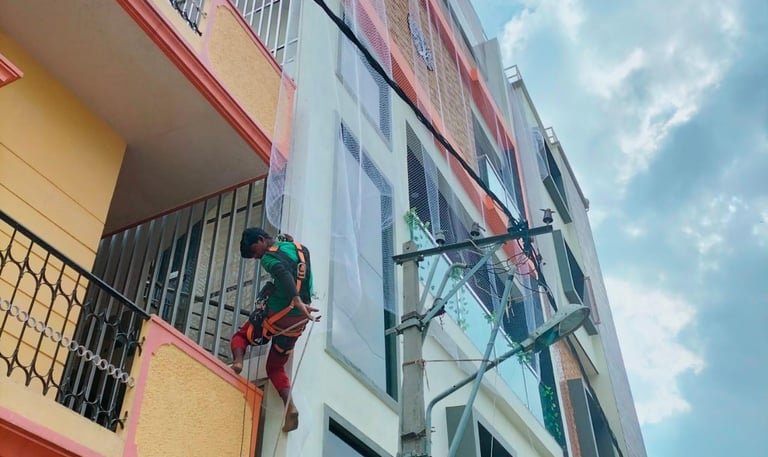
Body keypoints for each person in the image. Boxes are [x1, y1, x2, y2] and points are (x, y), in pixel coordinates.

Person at [230, 227, 320, 432]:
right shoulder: (299, 248)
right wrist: (299, 302)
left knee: (241, 336)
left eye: (255, 252)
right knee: (275, 367)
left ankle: (237, 362)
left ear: (261, 240)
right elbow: (295, 269)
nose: (256, 257)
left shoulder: (268, 259)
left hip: (280, 314)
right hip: (297, 322)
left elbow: (281, 271)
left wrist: (295, 299)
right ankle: (291, 407)